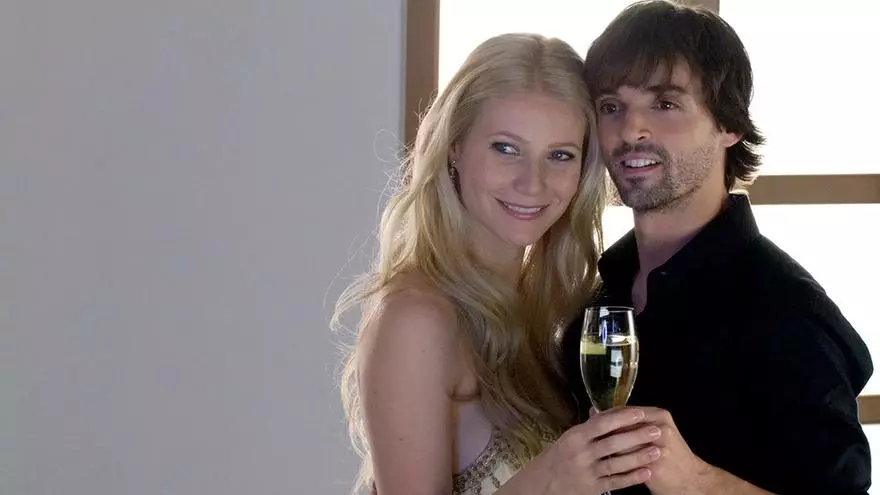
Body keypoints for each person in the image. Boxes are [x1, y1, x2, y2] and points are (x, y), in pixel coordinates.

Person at [332, 33, 671, 495]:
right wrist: (550, 479)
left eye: (560, 155)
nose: (532, 184)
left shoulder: (542, 310)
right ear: (454, 145)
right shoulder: (416, 319)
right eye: (506, 148)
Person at [560, 1, 874, 494]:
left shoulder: (786, 312)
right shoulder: (600, 294)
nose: (630, 129)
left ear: (729, 126)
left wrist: (698, 482)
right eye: (611, 106)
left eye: (665, 104)